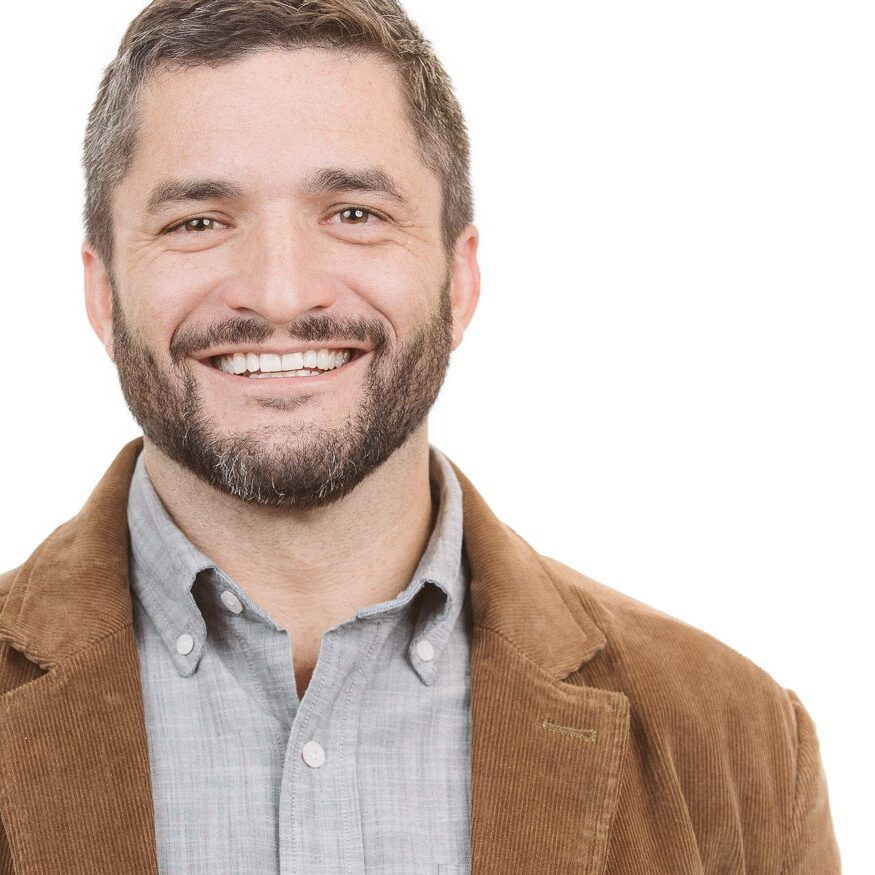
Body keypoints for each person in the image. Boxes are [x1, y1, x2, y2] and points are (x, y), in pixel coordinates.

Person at [0, 0, 840, 871]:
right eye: (198, 222)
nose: (281, 294)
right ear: (102, 293)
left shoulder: (735, 744)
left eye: (354, 213)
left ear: (459, 280)